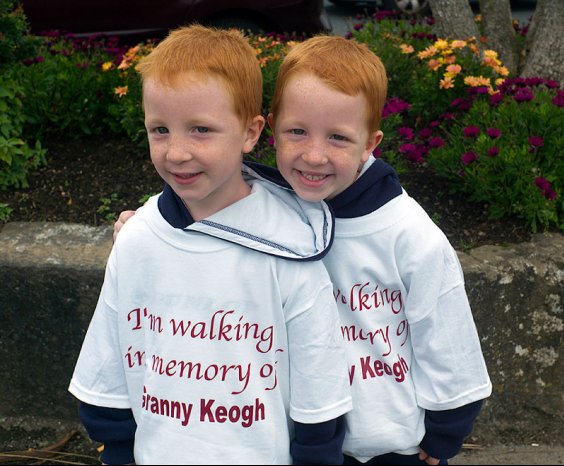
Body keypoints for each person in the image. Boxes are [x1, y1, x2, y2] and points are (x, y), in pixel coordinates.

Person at [115, 34, 492, 465]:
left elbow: (446, 334)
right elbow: (204, 214)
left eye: (337, 138)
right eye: (297, 132)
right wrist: (144, 229)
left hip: (388, 443)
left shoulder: (407, 233)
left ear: (370, 143)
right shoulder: (268, 206)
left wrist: (447, 428)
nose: (313, 156)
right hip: (301, 438)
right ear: (268, 129)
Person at [70, 25, 352, 465]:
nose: (176, 152)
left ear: (250, 132)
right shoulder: (139, 240)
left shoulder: (290, 243)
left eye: (200, 129)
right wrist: (117, 449)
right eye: (159, 130)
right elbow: (108, 365)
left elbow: (320, 379)